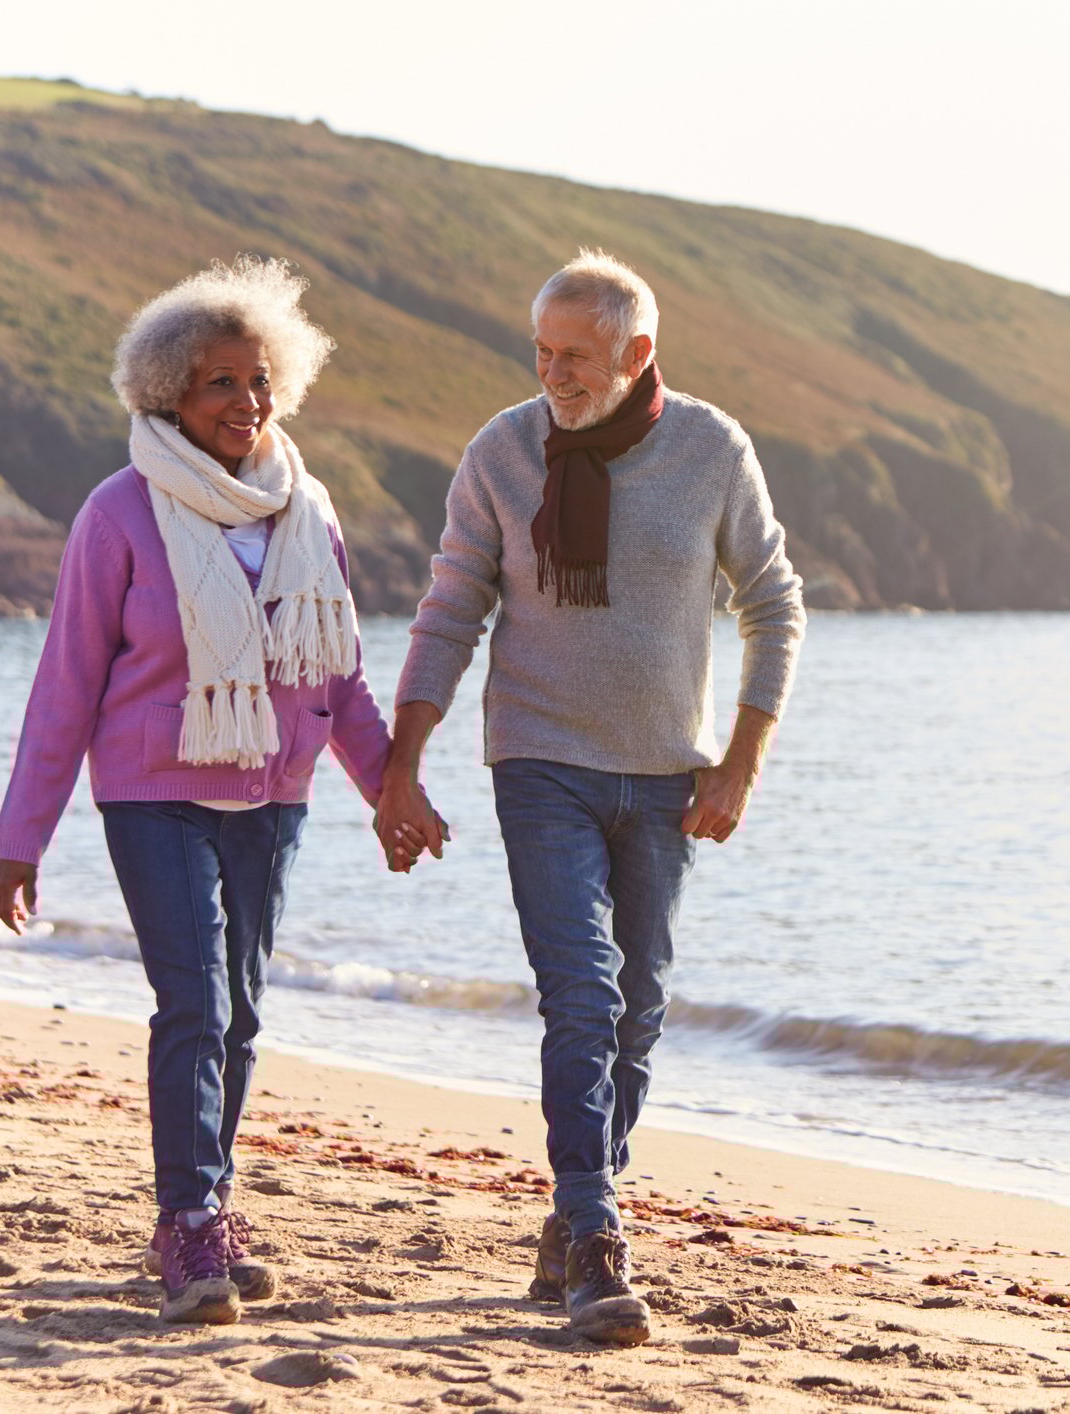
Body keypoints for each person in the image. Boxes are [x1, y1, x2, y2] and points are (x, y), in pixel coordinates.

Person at [375, 248, 805, 1346]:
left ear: (637, 353)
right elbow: (450, 607)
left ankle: (573, 1213)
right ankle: (600, 1235)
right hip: (541, 763)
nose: (553, 373)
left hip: (668, 773)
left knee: (640, 1010)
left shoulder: (710, 449)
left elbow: (773, 602)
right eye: (542, 351)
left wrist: (741, 760)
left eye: (576, 355)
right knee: (582, 990)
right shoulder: (504, 451)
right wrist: (403, 760)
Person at [0, 257, 399, 1325]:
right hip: (153, 792)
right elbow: (67, 681)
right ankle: (188, 1222)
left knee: (245, 1013)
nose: (246, 402)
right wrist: (22, 836)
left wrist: (391, 790)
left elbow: (339, 672)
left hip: (275, 795)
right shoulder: (119, 513)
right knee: (196, 1004)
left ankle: (210, 1203)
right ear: (170, 389)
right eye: (220, 382)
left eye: (259, 379)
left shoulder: (304, 508)